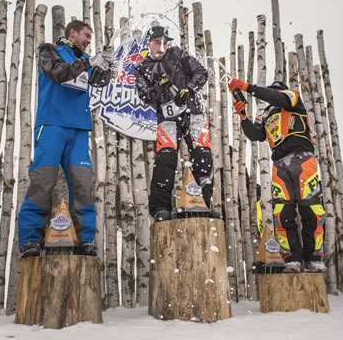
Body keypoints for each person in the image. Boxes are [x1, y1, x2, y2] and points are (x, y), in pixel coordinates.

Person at [18, 20, 113, 258]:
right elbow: (59, 73)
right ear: (72, 33)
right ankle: (31, 239)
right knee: (43, 182)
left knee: (83, 186)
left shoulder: (85, 60)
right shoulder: (50, 51)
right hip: (51, 125)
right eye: (86, 35)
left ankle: (85, 240)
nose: (89, 40)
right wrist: (89, 61)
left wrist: (107, 65)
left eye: (91, 37)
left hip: (78, 130)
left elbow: (99, 81)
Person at [229, 78, 326, 273]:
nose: (272, 95)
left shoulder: (292, 98)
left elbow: (276, 97)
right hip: (279, 164)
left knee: (311, 208)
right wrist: (243, 116)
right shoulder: (265, 115)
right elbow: (256, 135)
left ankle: (314, 257)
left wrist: (249, 88)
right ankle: (292, 259)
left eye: (275, 91)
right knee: (283, 212)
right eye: (271, 92)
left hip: (302, 159)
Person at [134, 25, 214, 222]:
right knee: (165, 160)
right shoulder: (142, 68)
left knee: (202, 155)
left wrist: (189, 89)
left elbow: (201, 72)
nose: (161, 47)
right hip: (167, 119)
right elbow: (145, 96)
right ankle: (160, 208)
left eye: (164, 42)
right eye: (156, 43)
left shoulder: (178, 54)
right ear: (148, 44)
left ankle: (203, 202)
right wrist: (159, 89)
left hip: (193, 112)